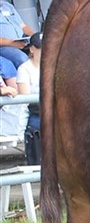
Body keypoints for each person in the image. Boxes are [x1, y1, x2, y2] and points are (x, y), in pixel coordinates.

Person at [17, 32, 42, 165]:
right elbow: (25, 99)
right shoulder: (24, 69)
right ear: (32, 48)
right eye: (40, 48)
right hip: (35, 112)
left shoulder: (51, 67)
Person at [0, 0, 35, 69]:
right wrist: (12, 43)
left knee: (47, 54)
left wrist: (34, 37)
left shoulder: (8, 6)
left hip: (21, 44)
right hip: (4, 47)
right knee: (22, 59)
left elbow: (23, 26)